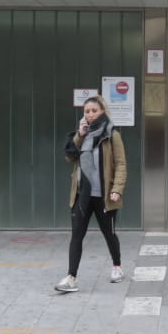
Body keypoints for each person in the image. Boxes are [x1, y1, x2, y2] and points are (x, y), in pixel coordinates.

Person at [57, 97, 126, 293]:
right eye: (86, 111)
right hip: (82, 195)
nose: (89, 114)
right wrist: (79, 134)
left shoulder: (112, 134)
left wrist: (117, 189)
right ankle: (71, 278)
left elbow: (121, 164)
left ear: (102, 110)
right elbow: (69, 156)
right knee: (76, 236)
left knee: (109, 234)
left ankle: (117, 266)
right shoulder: (82, 134)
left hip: (104, 196)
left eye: (93, 110)